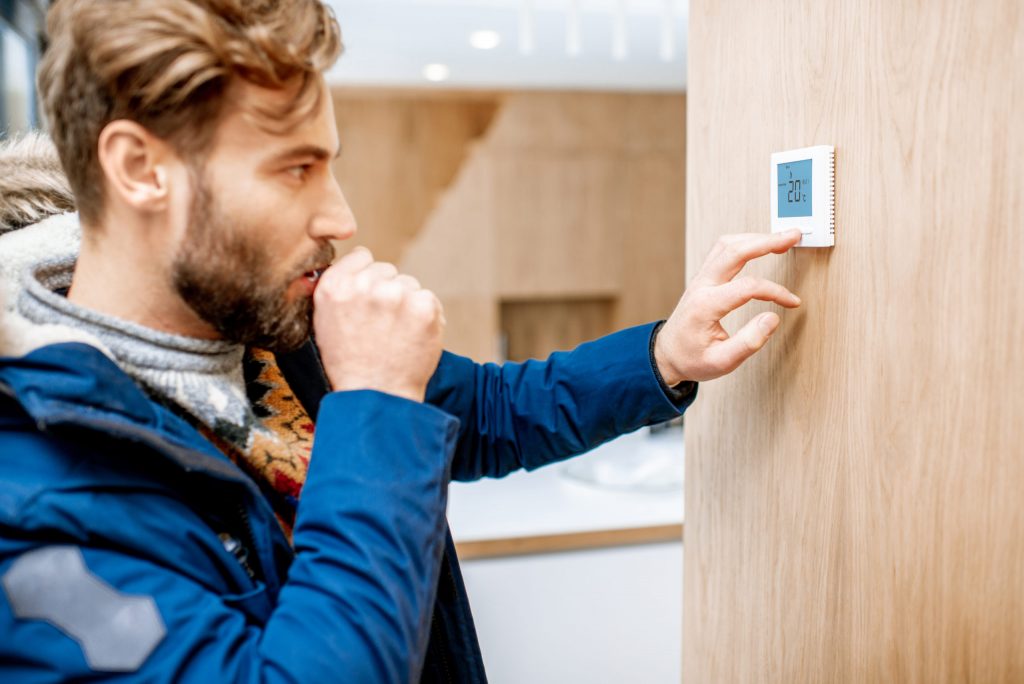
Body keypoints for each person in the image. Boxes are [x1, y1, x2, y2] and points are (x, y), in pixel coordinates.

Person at [0, 0, 803, 681]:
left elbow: (490, 410)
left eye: (331, 165)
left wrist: (664, 354)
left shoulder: (270, 330)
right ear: (140, 168)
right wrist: (376, 399)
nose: (341, 219)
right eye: (295, 169)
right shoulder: (30, 492)